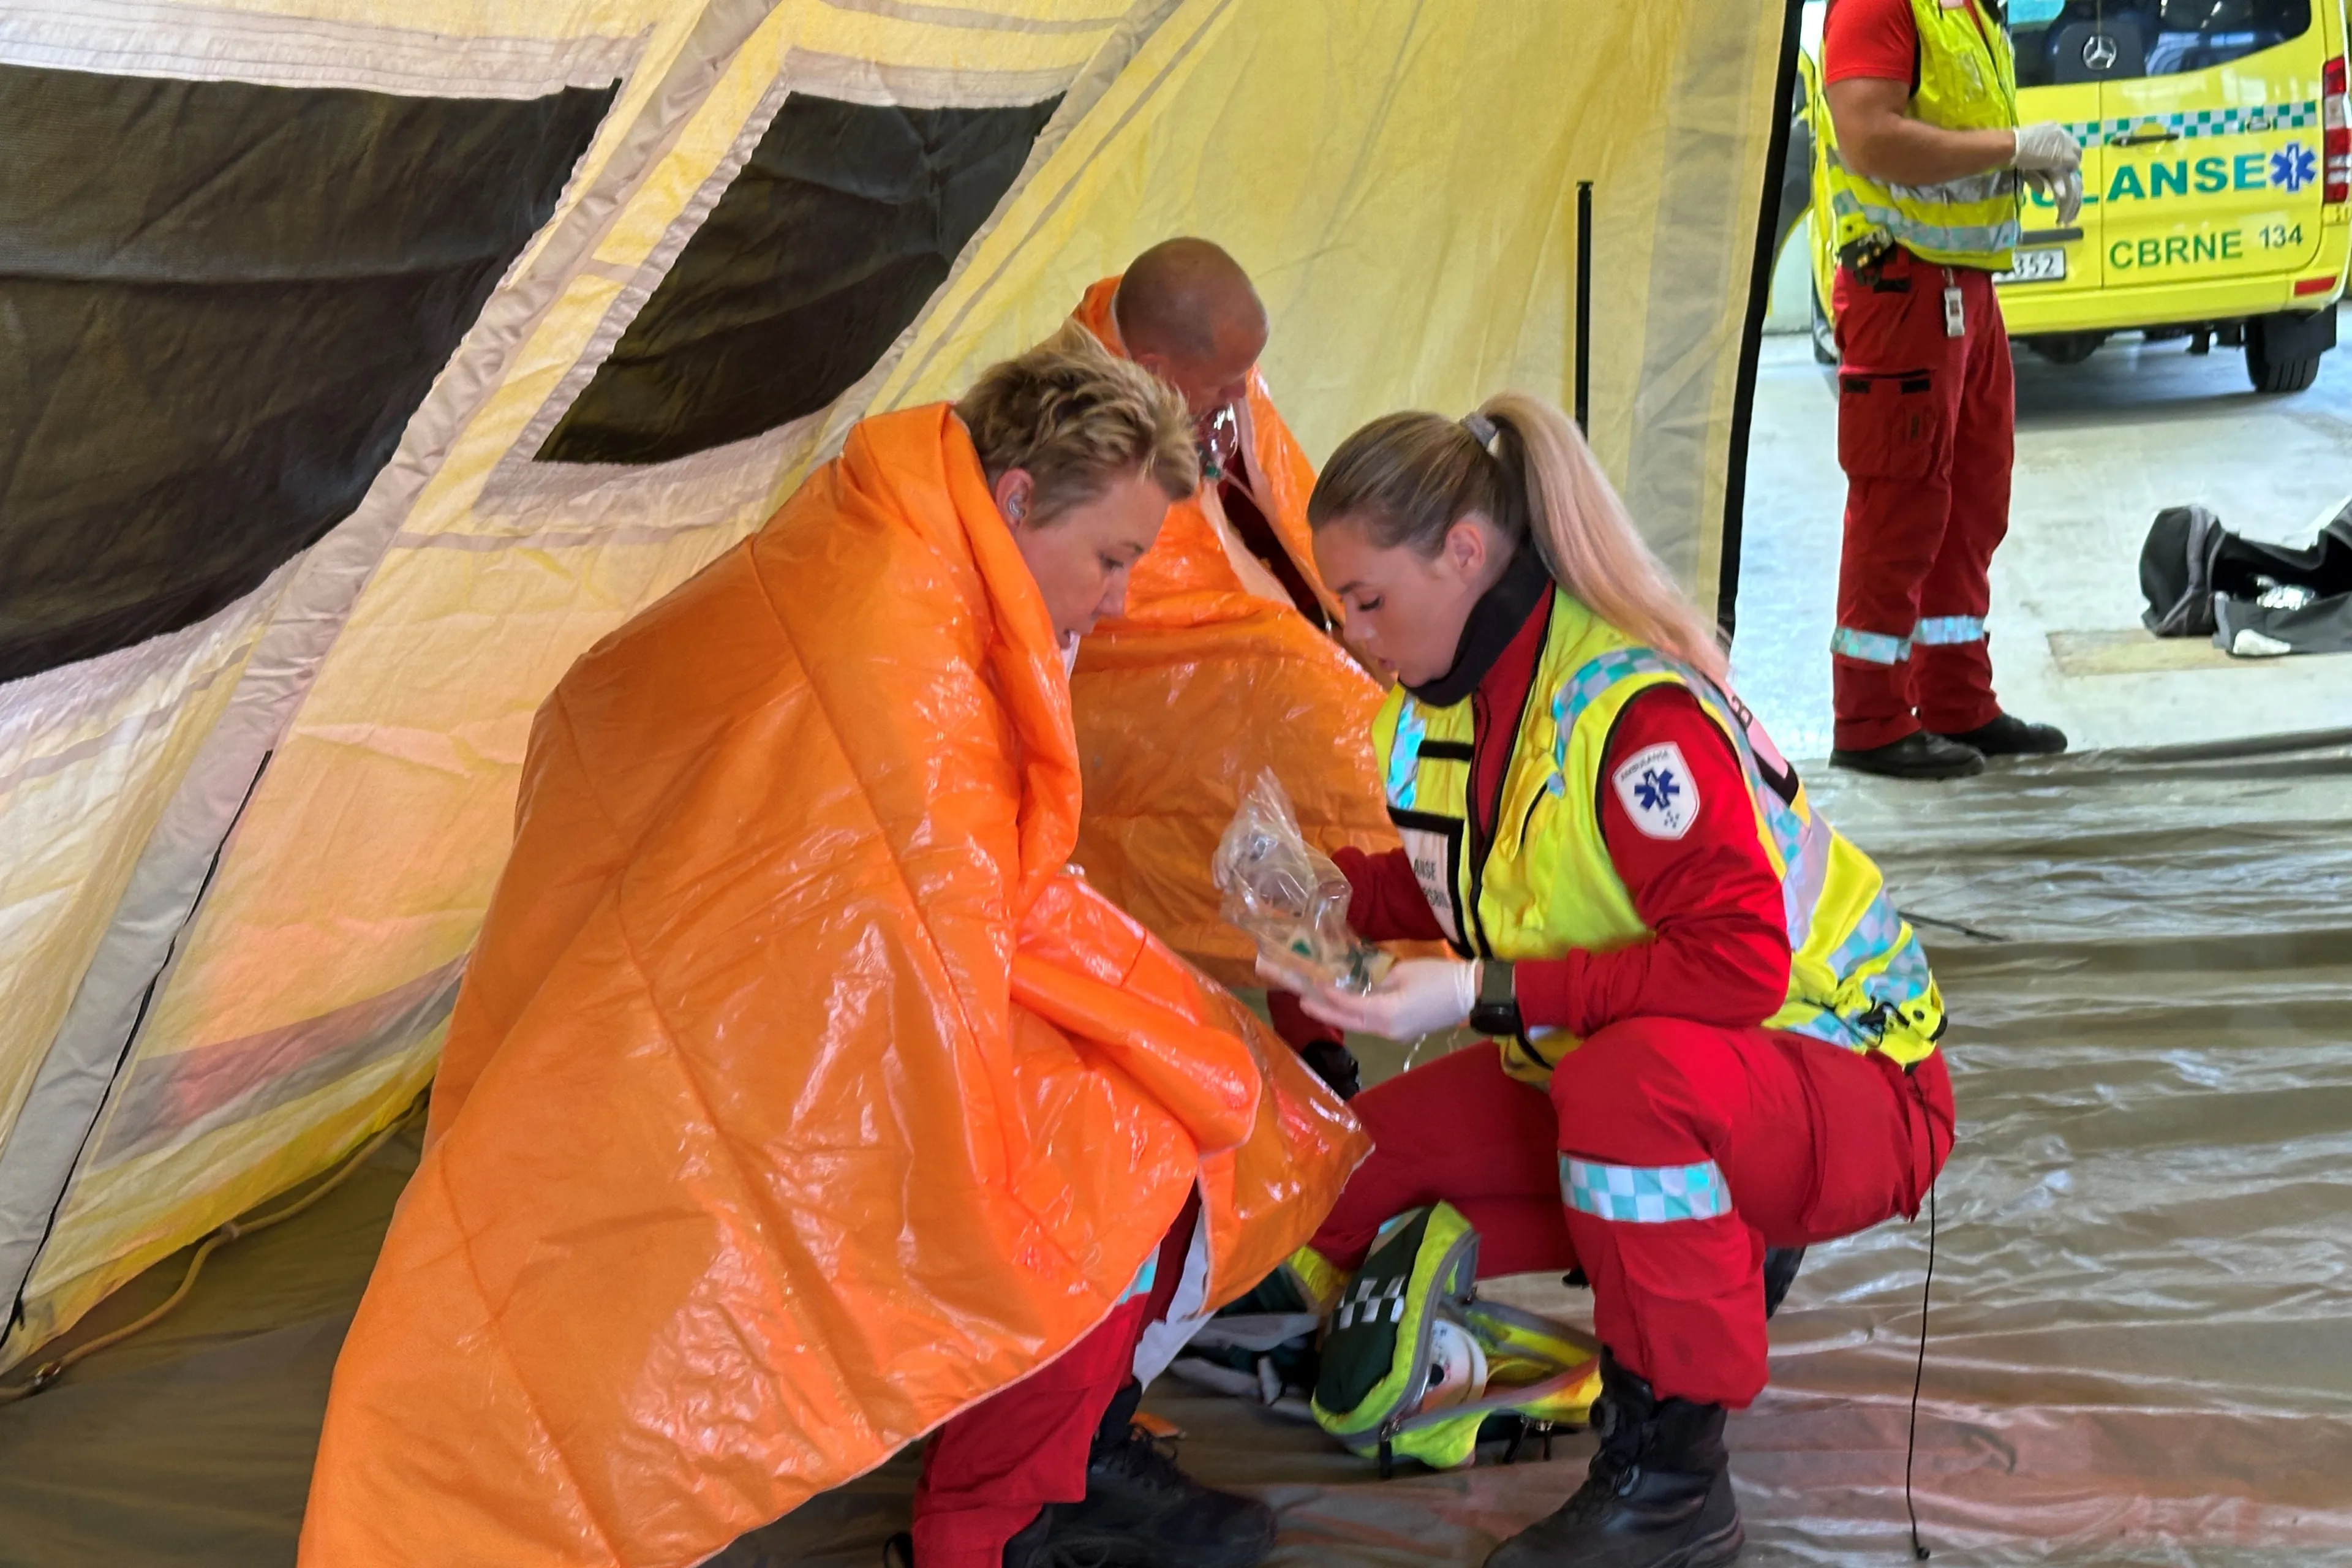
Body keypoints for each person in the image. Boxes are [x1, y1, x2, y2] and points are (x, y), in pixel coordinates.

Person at [299, 337, 1366, 1568]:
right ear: (1018, 499)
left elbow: (946, 883)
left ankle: (1059, 1452)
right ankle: (1000, 1516)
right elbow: (916, 898)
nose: (1118, 598)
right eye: (1112, 558)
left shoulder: (905, 528)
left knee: (1178, 1064)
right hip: (751, 1012)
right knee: (1136, 1141)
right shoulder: (899, 619)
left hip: (753, 976)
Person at [1267, 393, 1956, 1568]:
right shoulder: (1461, 700)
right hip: (1646, 1068)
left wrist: (1476, 994)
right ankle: (1676, 1260)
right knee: (1326, 1179)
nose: (1353, 637)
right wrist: (1303, 909)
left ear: (1467, 556)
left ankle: (1673, 1481)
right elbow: (1475, 871)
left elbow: (1735, 966)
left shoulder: (1630, 716)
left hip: (1849, 1081)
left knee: (1627, 1099)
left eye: (1367, 601)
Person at [1060, 240, 1400, 1087]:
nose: (1244, 394)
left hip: (1249, 680)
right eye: (1225, 383)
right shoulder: (1080, 440)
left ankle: (1322, 1031)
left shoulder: (1203, 377)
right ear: (1154, 368)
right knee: (1310, 792)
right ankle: (1336, 1013)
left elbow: (1280, 506)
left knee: (1297, 821)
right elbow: (1129, 611)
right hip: (1141, 723)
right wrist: (1291, 658)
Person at [1818, 0, 2084, 778]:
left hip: (1965, 286)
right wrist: (2013, 146)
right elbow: (1869, 136)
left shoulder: (1961, 9)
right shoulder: (1880, 6)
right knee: (1900, 500)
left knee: (1971, 501)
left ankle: (1956, 700)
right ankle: (1868, 719)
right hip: (1900, 285)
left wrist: (2016, 163)